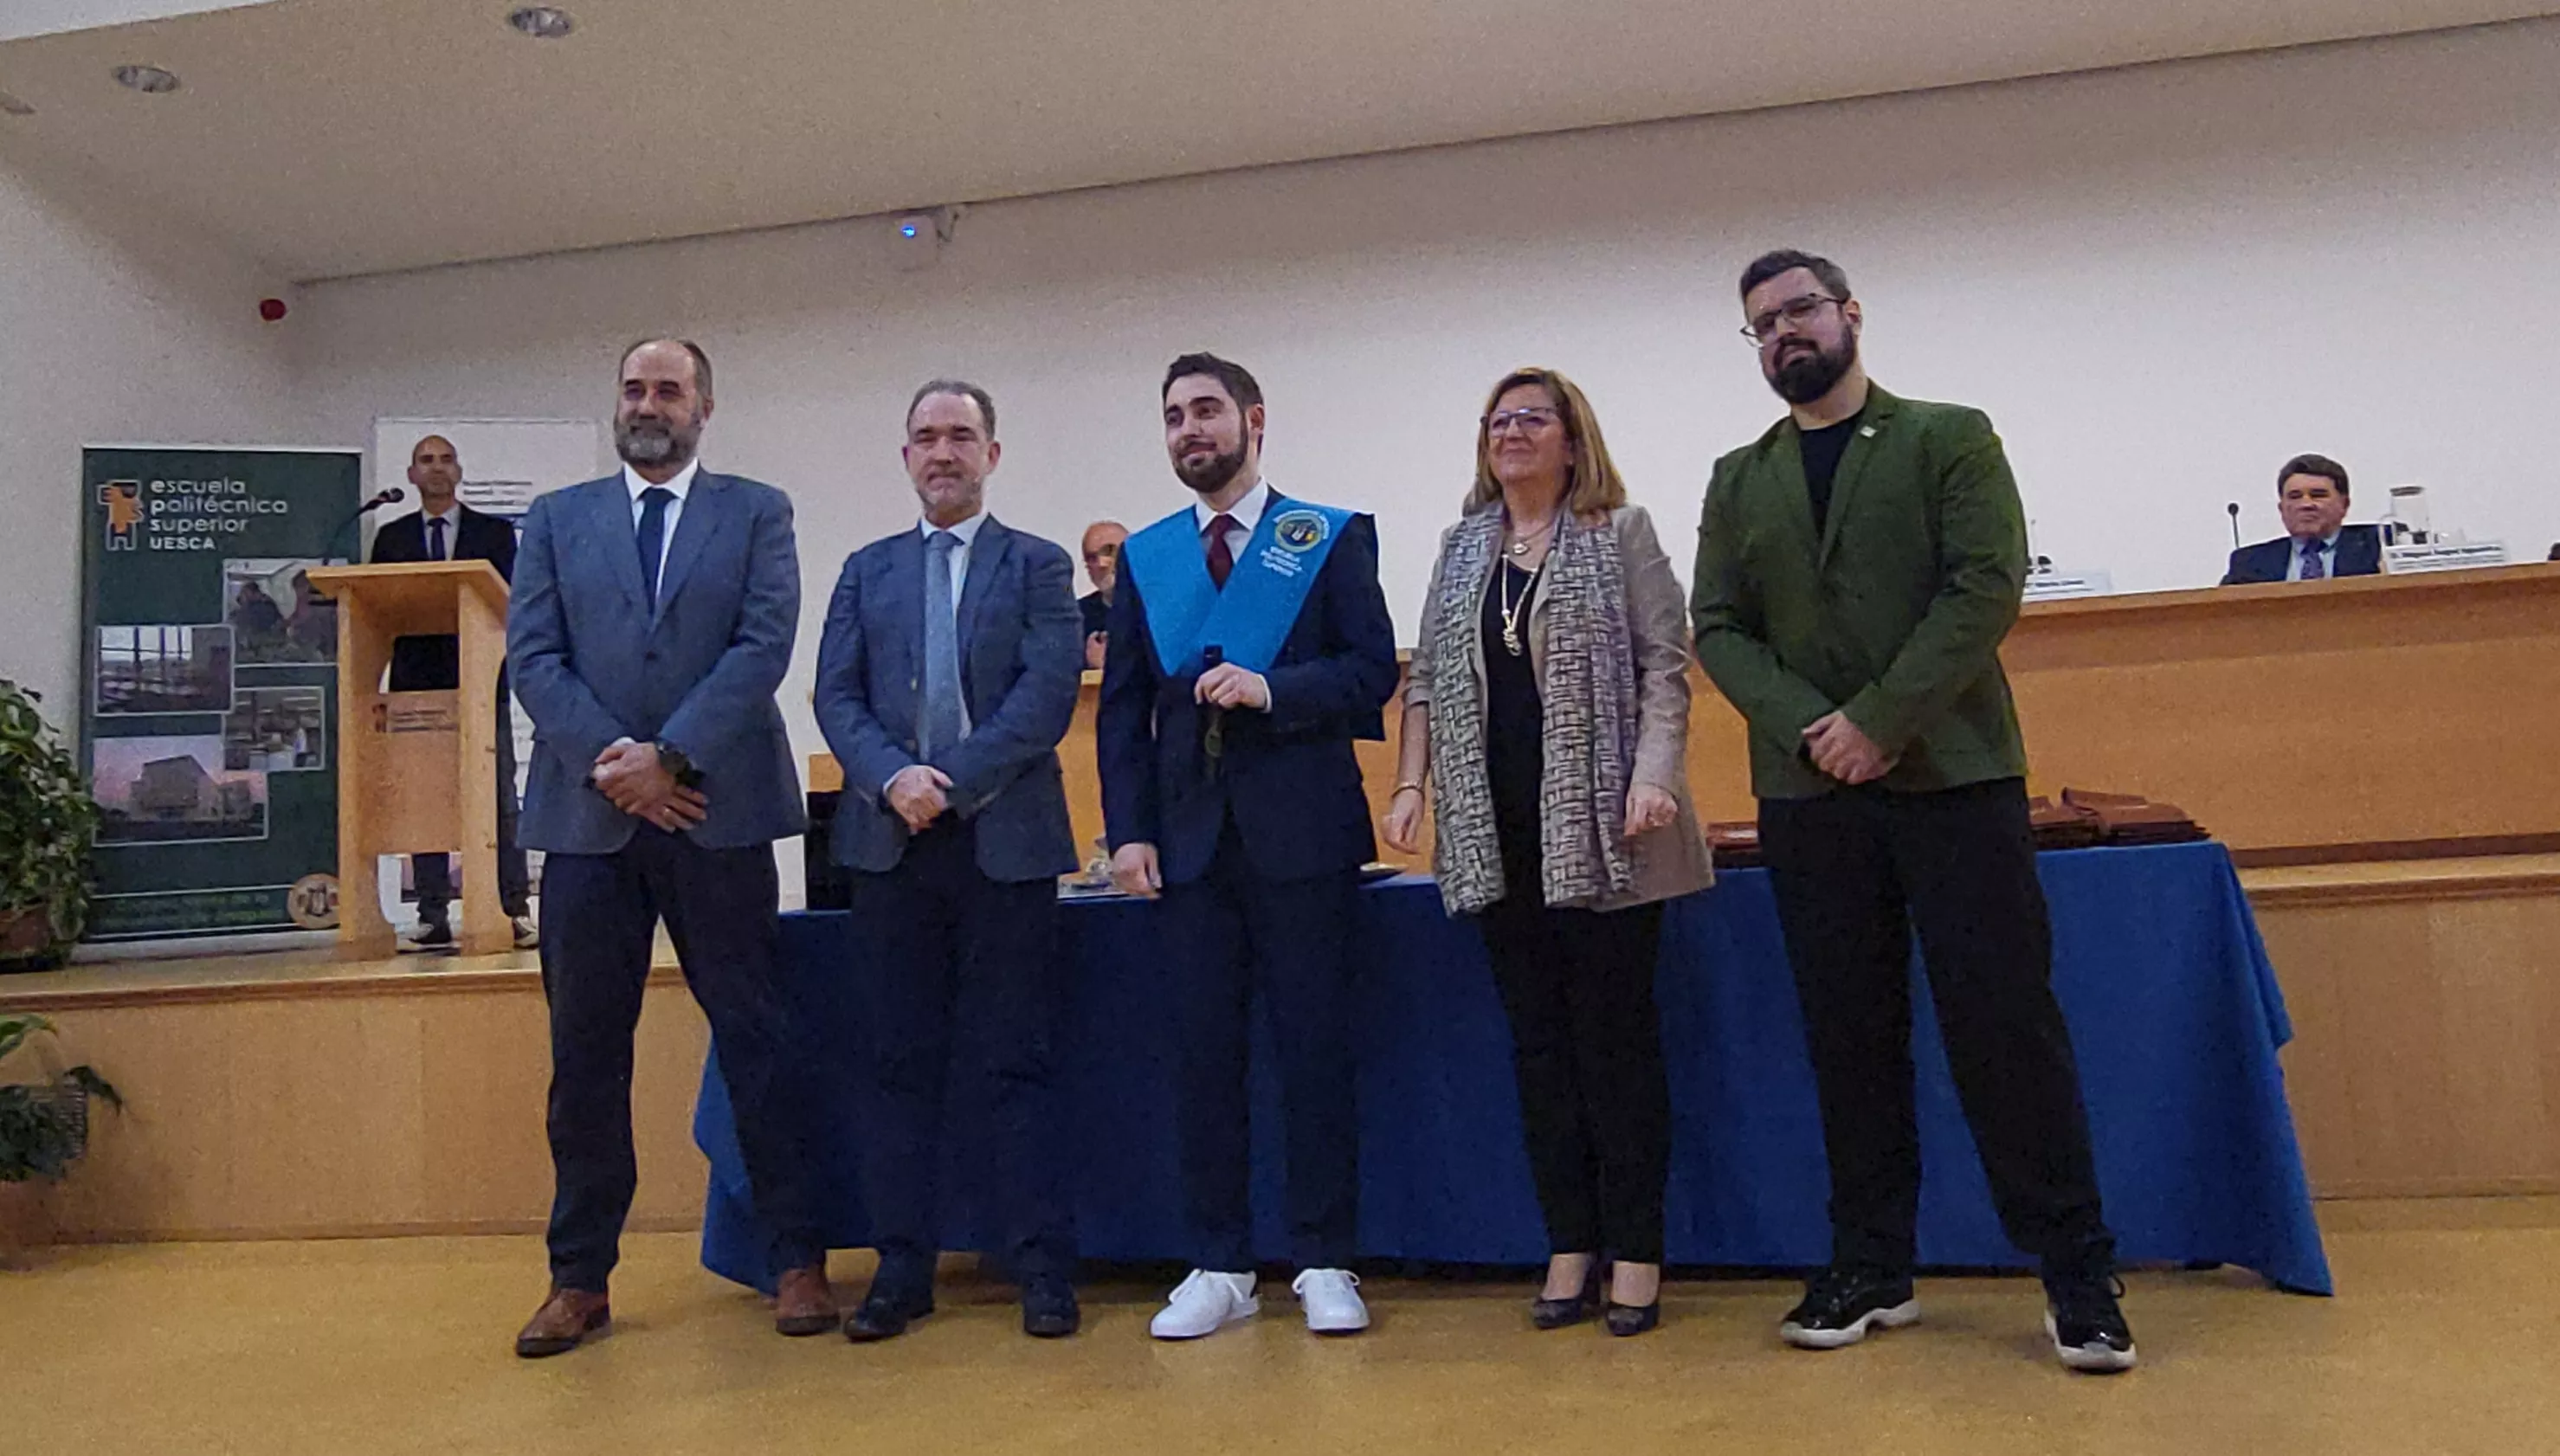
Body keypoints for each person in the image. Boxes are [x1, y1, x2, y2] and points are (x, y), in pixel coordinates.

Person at [1691, 250, 2135, 1374]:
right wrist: (1813, 726)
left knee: (2005, 1030)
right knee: (1847, 1036)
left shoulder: (1948, 435)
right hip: (1810, 796)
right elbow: (1719, 626)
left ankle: (2076, 1273)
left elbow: (1983, 584)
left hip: (1954, 782)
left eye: (1798, 310)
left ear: (1848, 313)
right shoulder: (1738, 477)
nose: (1783, 333)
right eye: (1761, 324)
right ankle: (1871, 1263)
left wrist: (1880, 718)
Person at [504, 338, 835, 1356]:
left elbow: (762, 644)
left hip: (714, 812)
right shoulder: (555, 519)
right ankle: (578, 1278)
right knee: (584, 1057)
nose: (648, 404)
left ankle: (795, 1257)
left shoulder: (757, 510)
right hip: (588, 822)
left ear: (704, 407)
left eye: (669, 390)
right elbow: (534, 655)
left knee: (756, 1039)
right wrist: (618, 765)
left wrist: (671, 759)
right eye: (633, 388)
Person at [1382, 368, 1713, 1337]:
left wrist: (1653, 774)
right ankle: (1570, 1239)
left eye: (1532, 418)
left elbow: (1665, 666)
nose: (1510, 432)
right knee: (1539, 1050)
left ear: (1573, 440)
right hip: (1498, 837)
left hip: (1611, 832)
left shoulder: (1620, 532)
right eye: (1497, 420)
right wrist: (1410, 784)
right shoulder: (1461, 547)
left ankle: (1636, 1250)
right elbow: (1427, 680)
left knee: (1615, 1049)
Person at [1099, 352, 1398, 1340]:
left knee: (1313, 1052)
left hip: (1304, 835)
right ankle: (1218, 1262)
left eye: (1206, 410)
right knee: (1202, 1060)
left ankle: (1325, 1258)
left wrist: (1275, 690)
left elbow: (1370, 671)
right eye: (1173, 415)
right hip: (1188, 846)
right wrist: (1129, 829)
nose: (1189, 430)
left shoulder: (1326, 537)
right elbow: (1124, 708)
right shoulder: (1148, 559)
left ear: (1252, 420)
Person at [813, 379, 1086, 1341]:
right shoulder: (865, 570)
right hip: (890, 846)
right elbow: (834, 696)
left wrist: (950, 780)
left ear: (991, 455)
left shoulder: (1039, 565)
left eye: (960, 436)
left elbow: (1044, 696)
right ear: (905, 457)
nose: (942, 452)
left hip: (1005, 843)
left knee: (1016, 1061)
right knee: (897, 1064)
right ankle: (901, 1269)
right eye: (925, 437)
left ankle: (1040, 1268)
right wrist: (895, 778)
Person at [368, 435, 536, 951]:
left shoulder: (495, 534)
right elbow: (378, 608)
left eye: (446, 460)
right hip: (418, 685)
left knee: (499, 798)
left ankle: (513, 909)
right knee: (426, 796)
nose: (437, 468)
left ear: (459, 472)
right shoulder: (392, 538)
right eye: (426, 461)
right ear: (412, 475)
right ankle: (432, 914)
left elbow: (513, 604)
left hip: (482, 682)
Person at [2221, 454, 2382, 584]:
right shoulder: (2249, 562)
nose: (2306, 504)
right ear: (2282, 509)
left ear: (2344, 505)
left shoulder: (2379, 545)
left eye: (2318, 495)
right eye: (2295, 496)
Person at [1078, 520, 1128, 669]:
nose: (1102, 564)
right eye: (1092, 558)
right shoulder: (1077, 617)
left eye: (1110, 552)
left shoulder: (1160, 608)